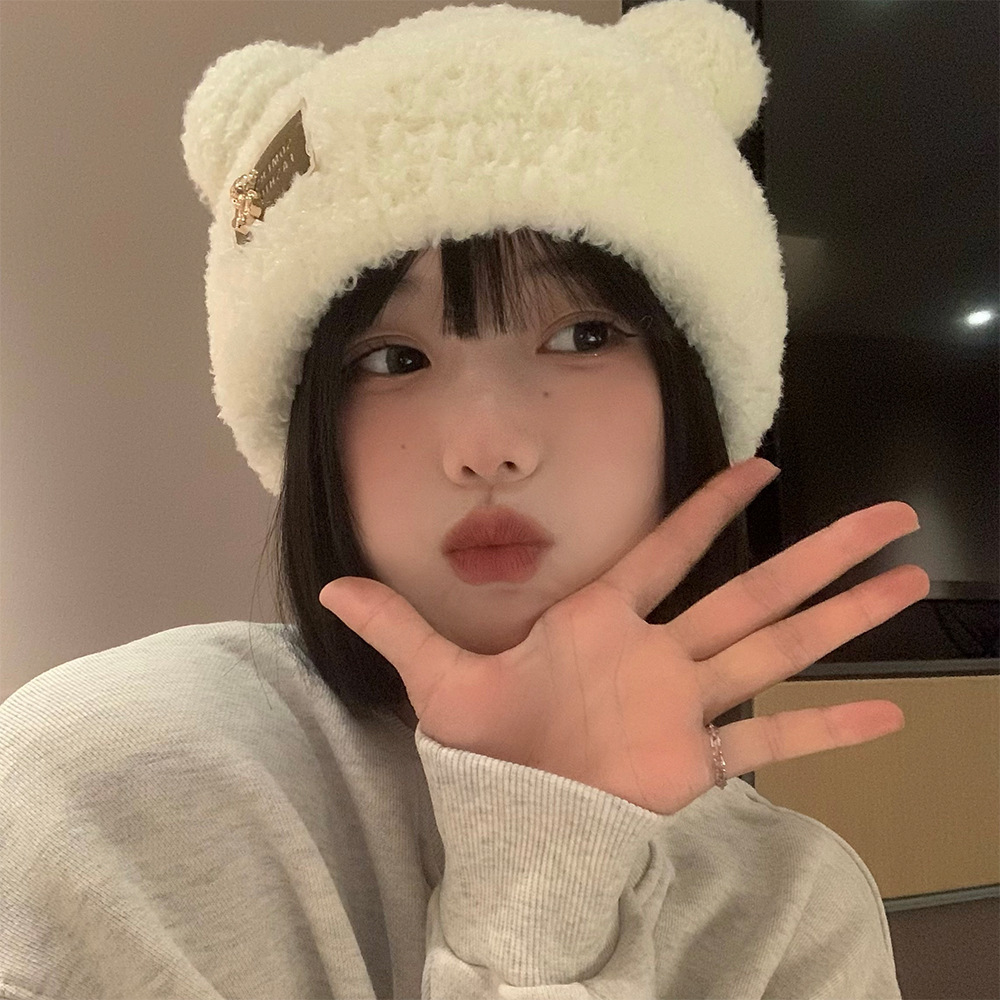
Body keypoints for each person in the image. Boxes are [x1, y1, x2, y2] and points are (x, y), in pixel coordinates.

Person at [0, 1, 927, 997]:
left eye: (583, 336)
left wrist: (541, 890)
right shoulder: (115, 776)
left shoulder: (792, 907)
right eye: (393, 358)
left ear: (691, 391)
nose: (488, 448)